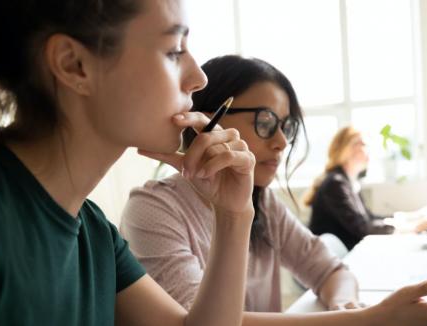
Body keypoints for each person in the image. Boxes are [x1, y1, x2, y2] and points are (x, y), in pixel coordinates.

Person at [0, 0, 427, 326]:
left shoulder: (92, 234)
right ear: (74, 66)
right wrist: (372, 321)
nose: (195, 79)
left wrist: (234, 215)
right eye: (173, 50)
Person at [121, 55, 363, 312]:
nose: (282, 142)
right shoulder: (154, 208)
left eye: (286, 127)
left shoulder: (264, 203)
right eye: (266, 122)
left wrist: (343, 304)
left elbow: (331, 270)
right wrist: (363, 321)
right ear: (207, 123)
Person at [305, 126, 395, 250]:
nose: (368, 149)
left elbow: (369, 219)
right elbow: (362, 228)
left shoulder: (349, 182)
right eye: (363, 144)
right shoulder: (336, 184)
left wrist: (405, 219)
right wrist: (405, 226)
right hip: (339, 260)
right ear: (346, 149)